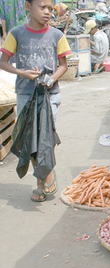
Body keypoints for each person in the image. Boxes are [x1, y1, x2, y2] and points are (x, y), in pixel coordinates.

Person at [0, 0, 71, 202]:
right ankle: (45, 176)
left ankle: (42, 180)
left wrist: (52, 78)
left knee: (47, 137)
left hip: (50, 95)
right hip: (25, 93)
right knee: (29, 138)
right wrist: (22, 72)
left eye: (50, 8)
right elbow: (3, 62)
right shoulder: (16, 33)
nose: (47, 12)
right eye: (42, 7)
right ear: (27, 6)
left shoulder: (57, 35)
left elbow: (63, 65)